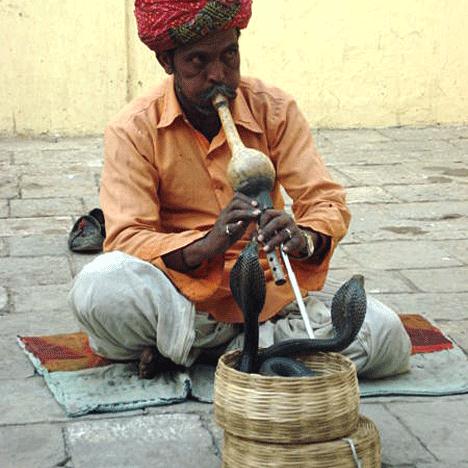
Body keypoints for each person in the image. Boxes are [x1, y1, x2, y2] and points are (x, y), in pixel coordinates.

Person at [69, 0, 411, 379]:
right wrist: (208, 243)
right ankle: (258, 357)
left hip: (271, 307)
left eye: (229, 55)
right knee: (98, 287)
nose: (219, 75)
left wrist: (305, 239)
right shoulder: (133, 128)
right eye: (198, 61)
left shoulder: (274, 109)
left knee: (386, 336)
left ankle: (206, 355)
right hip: (185, 306)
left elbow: (325, 200)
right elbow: (127, 237)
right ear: (168, 62)